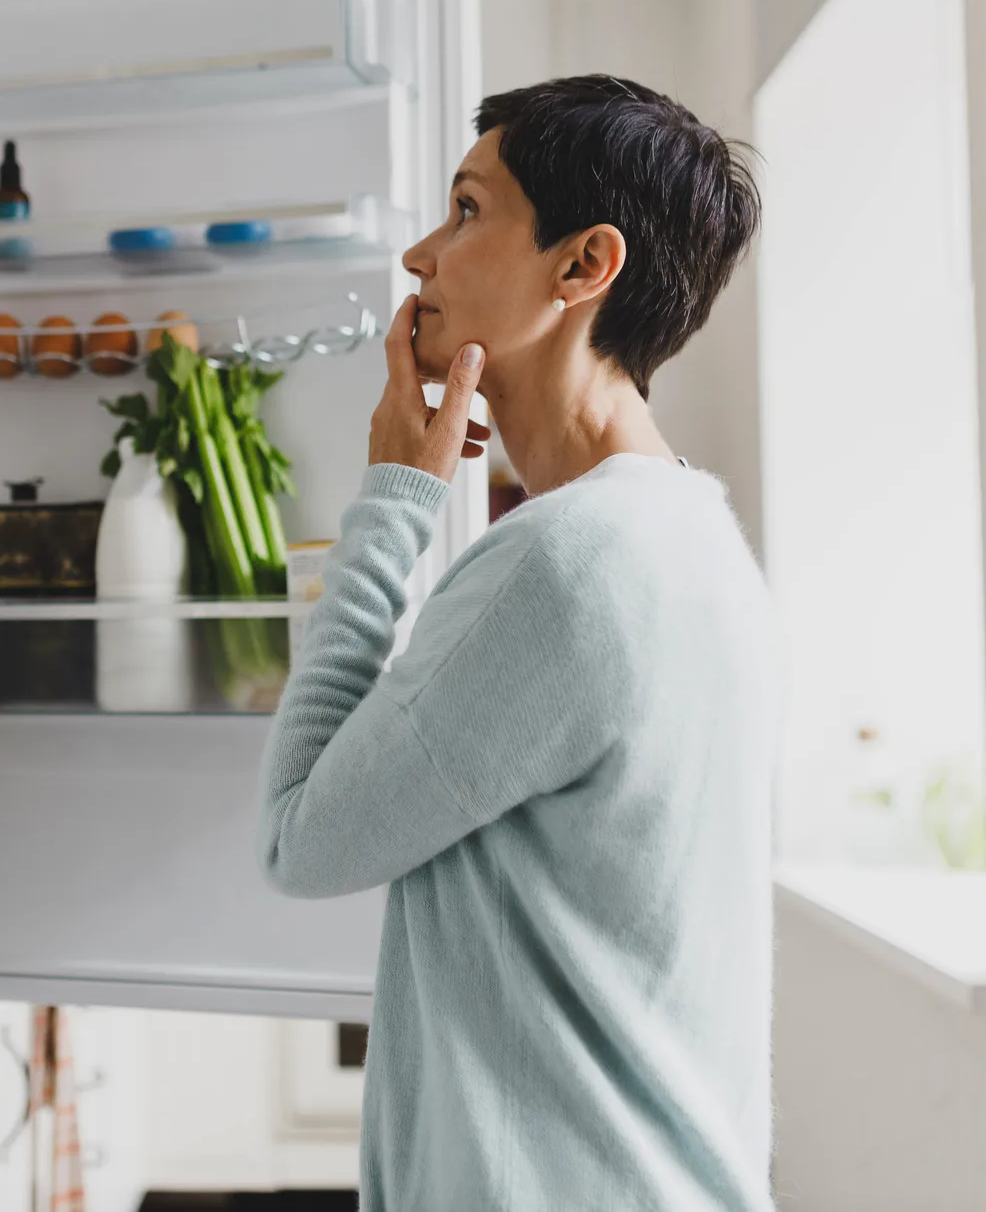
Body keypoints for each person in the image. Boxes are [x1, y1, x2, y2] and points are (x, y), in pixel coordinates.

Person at [258, 75, 777, 1211]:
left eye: (466, 211)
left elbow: (299, 836)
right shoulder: (697, 535)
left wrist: (395, 496)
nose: (420, 256)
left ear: (583, 267)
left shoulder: (565, 566)